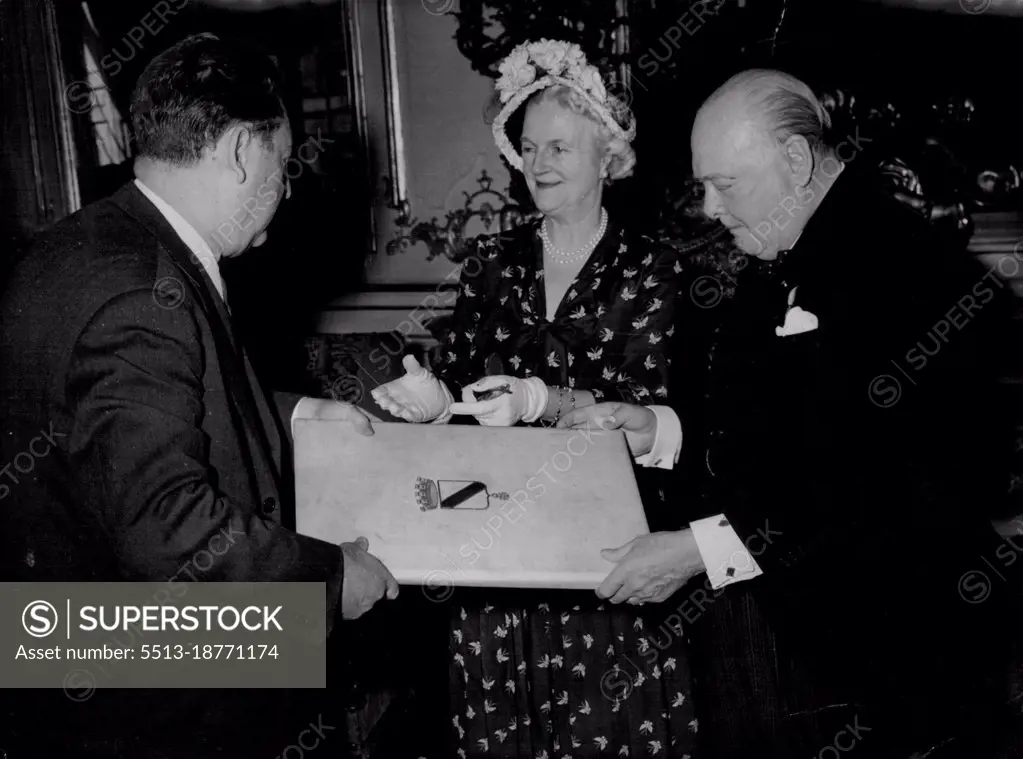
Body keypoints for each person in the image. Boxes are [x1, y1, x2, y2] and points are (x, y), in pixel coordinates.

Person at [561, 69, 1015, 758]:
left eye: (725, 184)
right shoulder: (788, 248)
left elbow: (884, 481)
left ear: (796, 162)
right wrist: (659, 427)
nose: (710, 208)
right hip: (806, 642)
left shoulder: (901, 267)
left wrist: (700, 550)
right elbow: (785, 429)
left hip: (896, 657)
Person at [0, 33, 397, 759]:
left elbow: (119, 416)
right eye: (283, 164)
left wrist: (297, 411)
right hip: (159, 693)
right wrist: (333, 578)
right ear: (243, 150)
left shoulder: (83, 244)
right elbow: (168, 524)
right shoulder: (144, 291)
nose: (284, 185)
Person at [372, 39, 694, 758]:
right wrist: (432, 399)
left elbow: (650, 409)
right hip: (497, 545)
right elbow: (458, 384)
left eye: (558, 147)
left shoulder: (653, 267)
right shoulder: (491, 261)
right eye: (528, 146)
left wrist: (540, 399)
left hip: (606, 550)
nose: (538, 163)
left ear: (606, 154)